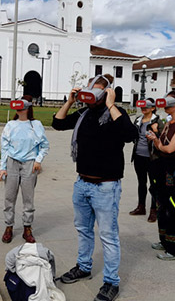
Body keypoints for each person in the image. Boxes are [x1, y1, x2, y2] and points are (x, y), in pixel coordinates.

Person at [52, 74, 138, 301]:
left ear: (108, 92)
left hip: (105, 187)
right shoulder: (84, 113)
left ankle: (111, 282)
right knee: (83, 229)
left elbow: (131, 135)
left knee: (108, 236)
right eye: (89, 89)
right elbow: (58, 123)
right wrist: (70, 101)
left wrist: (111, 104)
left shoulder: (115, 113)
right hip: (82, 183)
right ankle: (83, 266)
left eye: (96, 90)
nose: (91, 93)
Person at [0, 95, 49, 244]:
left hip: (29, 164)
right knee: (9, 197)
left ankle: (27, 227)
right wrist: (3, 167)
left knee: (28, 198)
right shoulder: (10, 125)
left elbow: (44, 145)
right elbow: (5, 147)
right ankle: (9, 226)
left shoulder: (36, 125)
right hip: (12, 162)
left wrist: (38, 160)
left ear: (27, 107)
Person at [147, 91, 175, 260]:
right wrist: (156, 140)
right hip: (164, 166)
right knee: (163, 203)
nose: (165, 106)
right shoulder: (169, 122)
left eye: (169, 103)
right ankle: (166, 240)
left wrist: (158, 144)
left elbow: (169, 148)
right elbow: (162, 144)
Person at [129, 98, 164, 222]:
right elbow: (133, 135)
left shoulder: (158, 121)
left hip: (153, 157)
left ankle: (153, 210)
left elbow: (163, 138)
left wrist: (155, 131)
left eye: (147, 107)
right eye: (142, 107)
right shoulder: (138, 120)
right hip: (139, 155)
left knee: (154, 185)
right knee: (141, 182)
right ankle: (141, 207)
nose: (144, 109)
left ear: (153, 108)